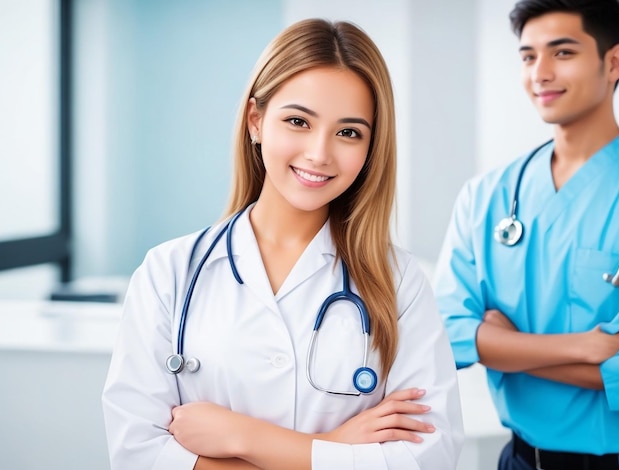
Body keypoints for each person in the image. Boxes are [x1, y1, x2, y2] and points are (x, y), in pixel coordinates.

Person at [102, 18, 463, 470]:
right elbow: (136, 455)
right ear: (256, 121)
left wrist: (245, 437)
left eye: (348, 132)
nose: (319, 153)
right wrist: (336, 447)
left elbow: (429, 459)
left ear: (371, 147)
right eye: (298, 121)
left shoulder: (401, 282)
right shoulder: (169, 272)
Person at [433, 0, 619, 469]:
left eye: (562, 53)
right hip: (517, 459)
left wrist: (503, 349)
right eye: (527, 56)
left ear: (614, 62)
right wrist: (588, 348)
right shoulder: (487, 196)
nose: (539, 72)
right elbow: (446, 333)